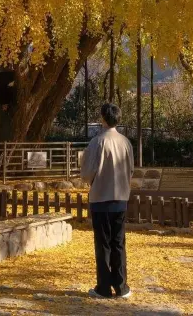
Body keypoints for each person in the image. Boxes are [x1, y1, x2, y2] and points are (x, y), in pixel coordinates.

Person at [80, 101, 134, 299]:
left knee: (103, 244)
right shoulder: (125, 142)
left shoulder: (97, 142)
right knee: (118, 243)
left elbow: (87, 172)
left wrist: (90, 180)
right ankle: (121, 287)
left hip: (101, 198)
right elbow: (130, 170)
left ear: (103, 118)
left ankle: (103, 288)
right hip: (120, 198)